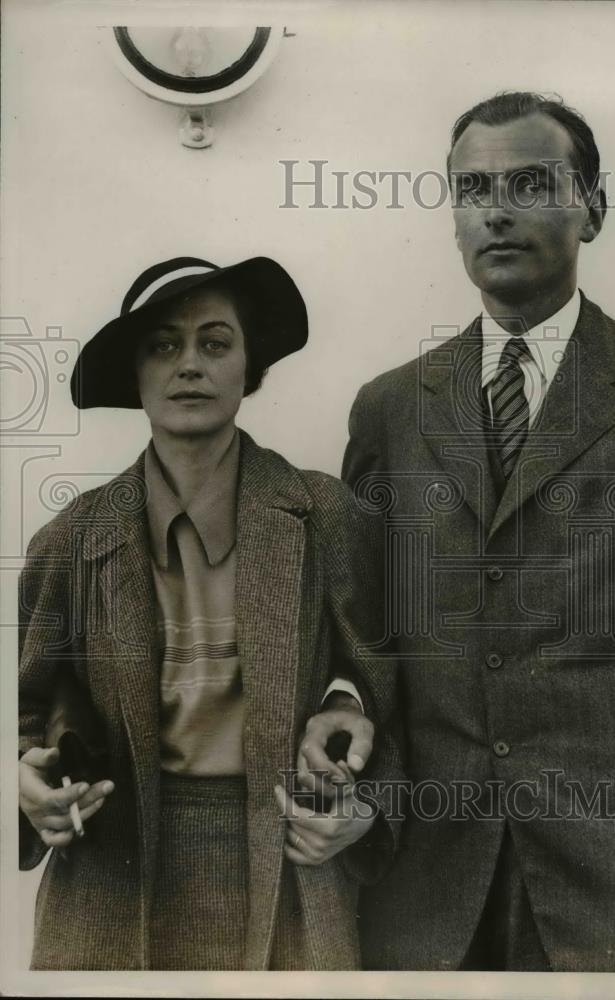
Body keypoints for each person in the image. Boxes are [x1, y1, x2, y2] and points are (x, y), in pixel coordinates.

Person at [312, 92, 615, 972]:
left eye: (529, 182)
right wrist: (342, 704)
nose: (497, 208)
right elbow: (365, 640)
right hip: (426, 881)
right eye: (472, 187)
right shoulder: (391, 407)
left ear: (592, 205)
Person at [18, 256, 399, 970]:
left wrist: (366, 805)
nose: (189, 364)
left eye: (214, 343)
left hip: (288, 865)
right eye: (164, 345)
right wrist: (25, 784)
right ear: (135, 374)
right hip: (110, 876)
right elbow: (23, 709)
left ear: (249, 368)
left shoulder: (326, 519)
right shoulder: (70, 541)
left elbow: (395, 698)